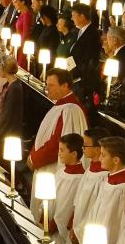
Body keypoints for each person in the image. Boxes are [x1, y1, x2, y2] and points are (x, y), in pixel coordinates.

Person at [27, 69, 88, 199]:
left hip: (52, 168)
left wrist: (34, 159)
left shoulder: (71, 110)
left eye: (51, 85)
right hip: (45, 165)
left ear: (65, 85)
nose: (47, 88)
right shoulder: (62, 106)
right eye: (46, 84)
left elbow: (59, 144)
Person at [66, 127, 112, 244]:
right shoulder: (90, 170)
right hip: (76, 228)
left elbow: (96, 211)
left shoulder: (103, 177)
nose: (82, 149)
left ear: (98, 149)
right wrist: (73, 223)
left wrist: (80, 232)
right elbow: (78, 200)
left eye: (86, 145)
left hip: (86, 234)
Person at [43, 133, 85, 244]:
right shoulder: (61, 172)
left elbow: (67, 207)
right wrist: (44, 214)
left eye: (62, 150)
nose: (58, 153)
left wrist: (52, 225)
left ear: (74, 154)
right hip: (48, 221)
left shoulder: (80, 179)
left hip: (57, 233)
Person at [68, 3, 102, 105]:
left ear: (82, 16)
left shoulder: (92, 34)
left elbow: (88, 59)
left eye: (73, 15)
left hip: (83, 81)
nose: (71, 18)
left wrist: (74, 74)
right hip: (75, 75)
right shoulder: (80, 31)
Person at [0, 54, 23, 141]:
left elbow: (8, 113)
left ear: (4, 68)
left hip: (7, 133)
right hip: (2, 130)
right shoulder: (8, 84)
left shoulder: (15, 88)